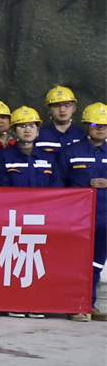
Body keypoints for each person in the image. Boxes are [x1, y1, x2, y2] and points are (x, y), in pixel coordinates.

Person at [62, 103, 107, 311]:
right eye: (96, 124)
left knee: (96, 264)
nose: (101, 128)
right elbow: (58, 185)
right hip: (77, 218)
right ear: (87, 125)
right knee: (73, 262)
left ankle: (89, 304)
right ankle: (72, 305)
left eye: (105, 125)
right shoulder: (71, 152)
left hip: (104, 218)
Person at [0, 106, 57, 187]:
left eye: (31, 126)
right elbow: (2, 187)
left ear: (37, 130)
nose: (27, 130)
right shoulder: (4, 156)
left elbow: (56, 188)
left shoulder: (48, 157)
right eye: (22, 126)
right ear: (14, 131)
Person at [38, 85, 81, 164]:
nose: (62, 110)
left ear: (74, 108)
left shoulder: (82, 135)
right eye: (56, 106)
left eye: (67, 105)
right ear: (49, 109)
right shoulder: (38, 135)